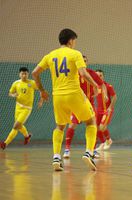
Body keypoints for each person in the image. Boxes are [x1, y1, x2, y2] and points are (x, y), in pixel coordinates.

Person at [32, 28, 99, 171]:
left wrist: (43, 91)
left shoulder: (50, 55)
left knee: (60, 126)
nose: (75, 43)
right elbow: (83, 73)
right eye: (74, 40)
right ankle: (89, 153)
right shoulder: (75, 54)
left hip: (58, 97)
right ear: (70, 40)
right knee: (91, 121)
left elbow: (35, 73)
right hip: (74, 93)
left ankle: (56, 156)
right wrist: (95, 86)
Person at [63, 55, 105, 159]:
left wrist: (104, 94)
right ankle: (67, 149)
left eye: (85, 61)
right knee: (72, 125)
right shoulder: (73, 73)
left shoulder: (91, 73)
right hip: (77, 104)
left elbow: (102, 84)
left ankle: (92, 150)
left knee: (93, 126)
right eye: (82, 61)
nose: (84, 62)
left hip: (89, 105)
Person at [0, 67, 37, 150]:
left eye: (26, 74)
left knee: (16, 126)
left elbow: (41, 89)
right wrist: (13, 95)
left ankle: (5, 143)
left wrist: (41, 99)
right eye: (22, 73)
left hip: (27, 109)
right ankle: (27, 136)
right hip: (18, 107)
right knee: (19, 126)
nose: (24, 75)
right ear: (19, 74)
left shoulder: (32, 83)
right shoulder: (16, 83)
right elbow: (10, 93)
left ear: (28, 74)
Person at [95, 69, 117, 151]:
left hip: (107, 111)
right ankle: (103, 142)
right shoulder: (94, 86)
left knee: (102, 127)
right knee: (96, 128)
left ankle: (108, 140)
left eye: (100, 75)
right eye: (97, 76)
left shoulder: (108, 86)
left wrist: (110, 107)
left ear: (103, 76)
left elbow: (114, 97)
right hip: (98, 110)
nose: (99, 77)